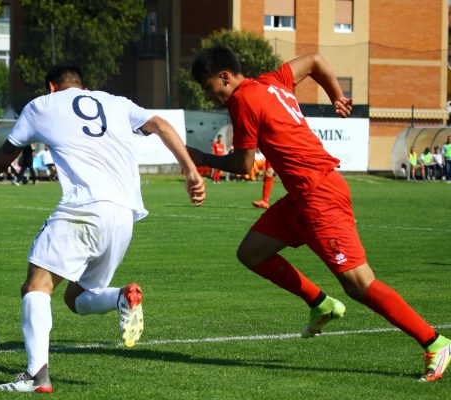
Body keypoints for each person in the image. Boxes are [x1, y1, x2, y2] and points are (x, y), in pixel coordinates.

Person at [186, 46, 450, 382]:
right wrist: (338, 95)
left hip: (319, 195)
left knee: (359, 284)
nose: (213, 97)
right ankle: (320, 303)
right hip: (301, 196)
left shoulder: (242, 100)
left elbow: (244, 165)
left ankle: (434, 341)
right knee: (251, 252)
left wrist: (199, 156)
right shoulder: (272, 81)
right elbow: (314, 61)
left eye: (211, 88)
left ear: (225, 77)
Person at [0, 64, 205, 393]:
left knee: (36, 287)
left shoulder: (42, 105)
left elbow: (5, 154)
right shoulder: (117, 102)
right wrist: (190, 170)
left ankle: (36, 376)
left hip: (83, 209)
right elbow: (160, 124)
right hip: (124, 216)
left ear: (52, 87)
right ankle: (121, 298)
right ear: (82, 85)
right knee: (77, 297)